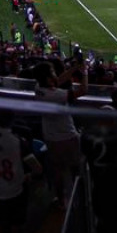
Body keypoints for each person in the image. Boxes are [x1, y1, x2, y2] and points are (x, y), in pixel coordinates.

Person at [34, 60, 87, 208]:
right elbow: (83, 91)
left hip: (50, 137)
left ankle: (60, 200)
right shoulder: (56, 94)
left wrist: (74, 67)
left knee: (57, 170)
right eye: (52, 72)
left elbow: (59, 80)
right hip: (67, 136)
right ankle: (81, 198)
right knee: (76, 168)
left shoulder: (39, 88)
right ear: (47, 77)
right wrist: (84, 73)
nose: (55, 74)